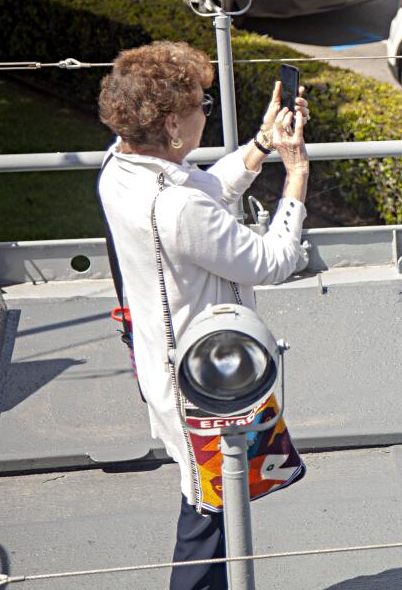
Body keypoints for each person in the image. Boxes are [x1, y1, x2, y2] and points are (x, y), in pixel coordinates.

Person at [97, 41, 311, 590]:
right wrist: (296, 175)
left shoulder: (120, 168)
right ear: (173, 125)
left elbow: (205, 189)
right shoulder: (175, 205)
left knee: (207, 501)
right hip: (206, 384)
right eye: (201, 108)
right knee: (209, 512)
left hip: (164, 364)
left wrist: (261, 144)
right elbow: (273, 260)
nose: (203, 117)